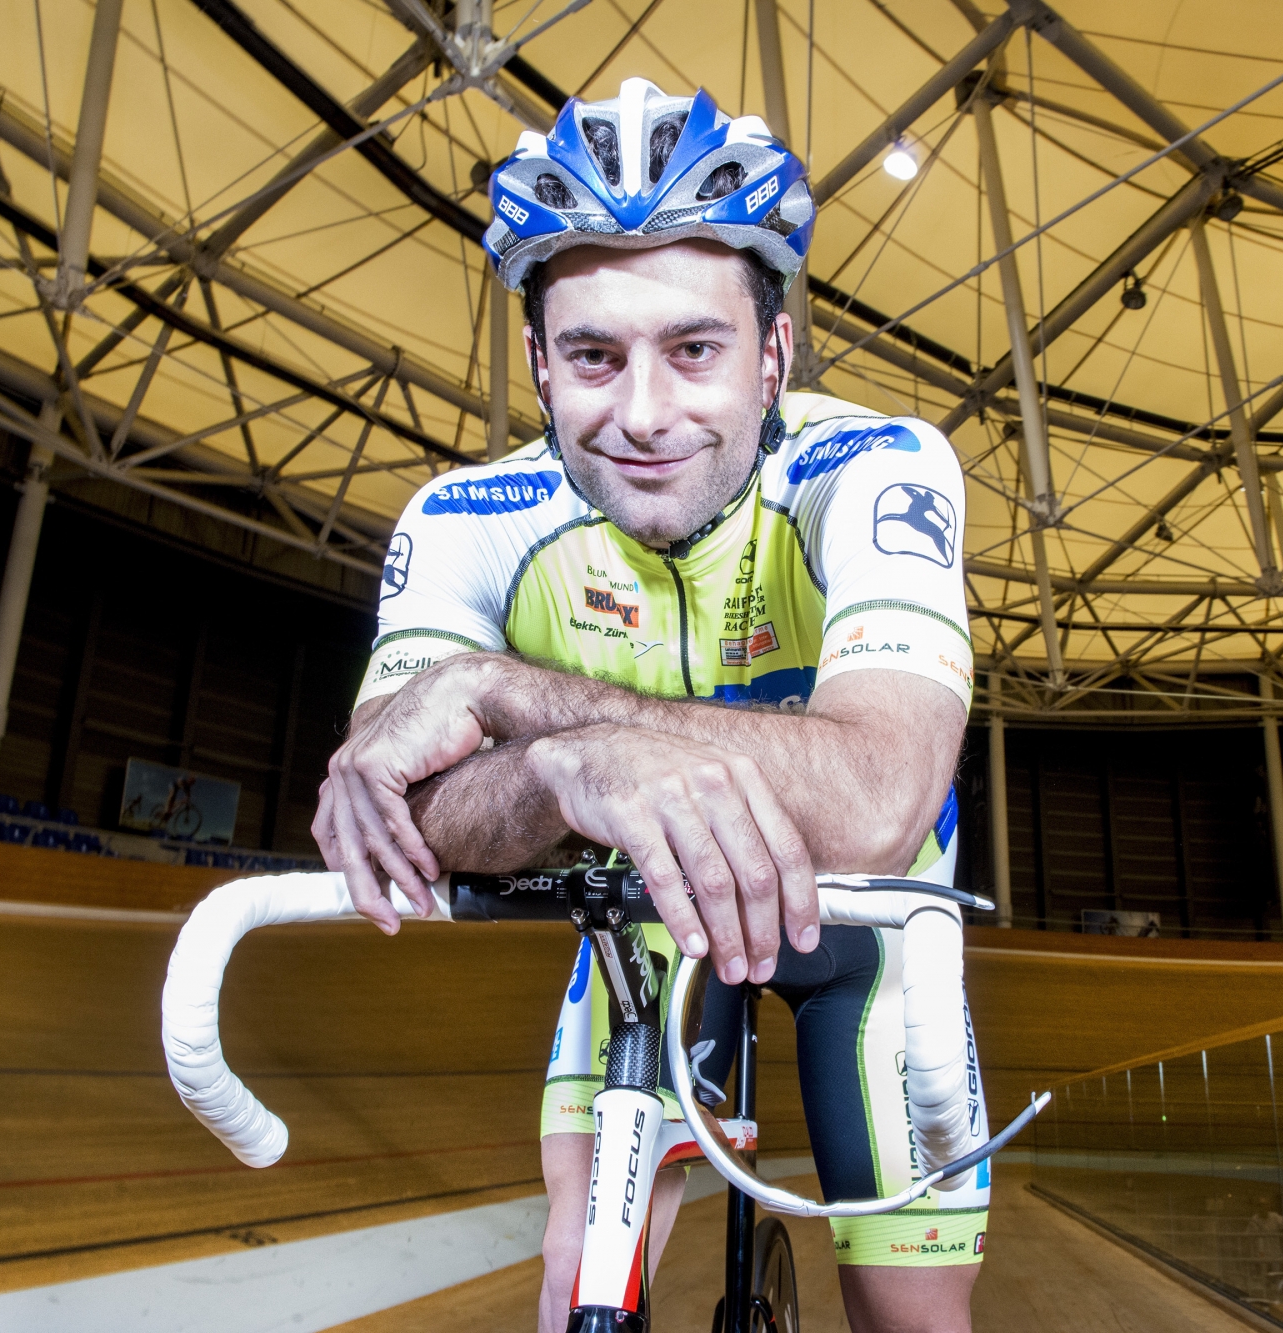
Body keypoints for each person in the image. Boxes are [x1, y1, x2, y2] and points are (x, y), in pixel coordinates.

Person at [313, 78, 987, 1333]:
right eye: (591, 356)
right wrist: (574, 775)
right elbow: (383, 807)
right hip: (648, 918)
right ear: (536, 364)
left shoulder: (874, 468)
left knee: (909, 1318)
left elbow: (876, 800)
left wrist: (524, 707)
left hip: (876, 929)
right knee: (579, 1284)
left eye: (693, 349)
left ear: (774, 351)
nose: (640, 414)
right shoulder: (465, 520)